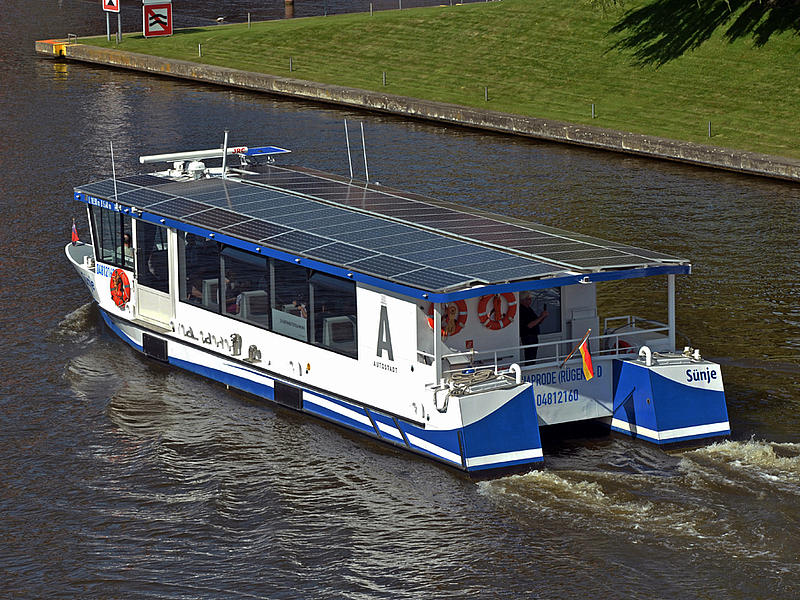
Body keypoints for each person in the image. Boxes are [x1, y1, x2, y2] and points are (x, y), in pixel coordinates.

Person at [519, 293, 548, 362]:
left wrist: (543, 317)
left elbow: (537, 322)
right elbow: (529, 325)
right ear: (523, 300)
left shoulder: (529, 309)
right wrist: (541, 317)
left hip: (533, 336)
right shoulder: (521, 310)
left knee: (533, 356)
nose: (530, 300)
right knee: (530, 357)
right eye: (528, 299)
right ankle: (529, 369)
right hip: (528, 337)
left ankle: (531, 367)